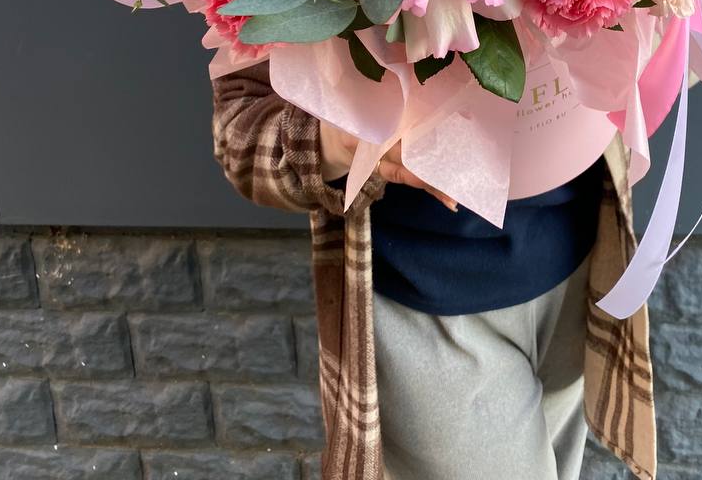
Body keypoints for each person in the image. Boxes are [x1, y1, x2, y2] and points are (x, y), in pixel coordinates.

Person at [212, 63, 657, 480]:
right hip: (427, 299)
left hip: (578, 263)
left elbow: (663, 54)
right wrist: (336, 142)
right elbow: (239, 134)